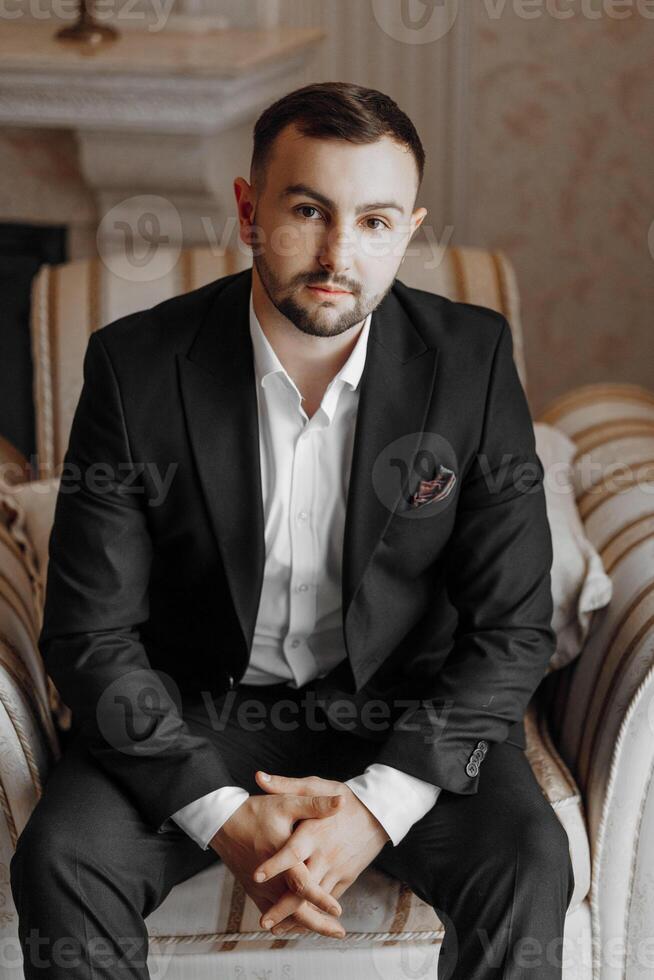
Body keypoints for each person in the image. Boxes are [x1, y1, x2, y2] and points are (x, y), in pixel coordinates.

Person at [10, 81, 575, 979]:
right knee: (64, 858)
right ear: (248, 208)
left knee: (529, 862)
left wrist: (376, 809)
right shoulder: (137, 366)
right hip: (201, 708)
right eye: (308, 210)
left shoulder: (473, 361)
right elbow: (90, 633)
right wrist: (217, 812)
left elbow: (512, 630)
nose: (338, 253)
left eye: (376, 221)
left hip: (407, 709)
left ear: (410, 228)